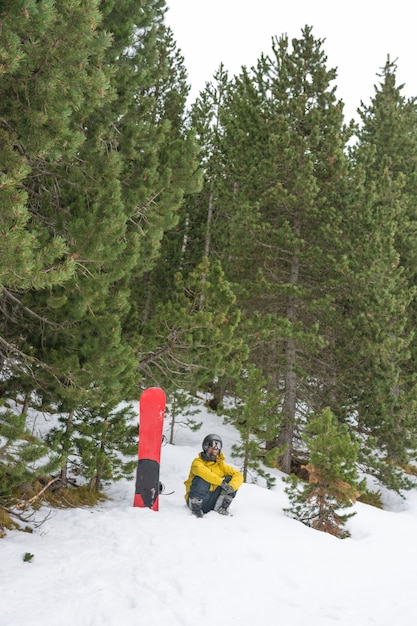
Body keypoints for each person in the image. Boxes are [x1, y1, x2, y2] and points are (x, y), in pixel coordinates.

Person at [184, 433, 243, 517]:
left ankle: (222, 507)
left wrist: (231, 487)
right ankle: (196, 509)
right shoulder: (197, 462)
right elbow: (205, 473)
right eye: (212, 444)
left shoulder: (221, 465)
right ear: (205, 447)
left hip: (213, 501)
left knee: (231, 479)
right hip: (197, 500)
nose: (215, 447)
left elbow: (238, 474)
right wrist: (221, 482)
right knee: (201, 478)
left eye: (218, 445)